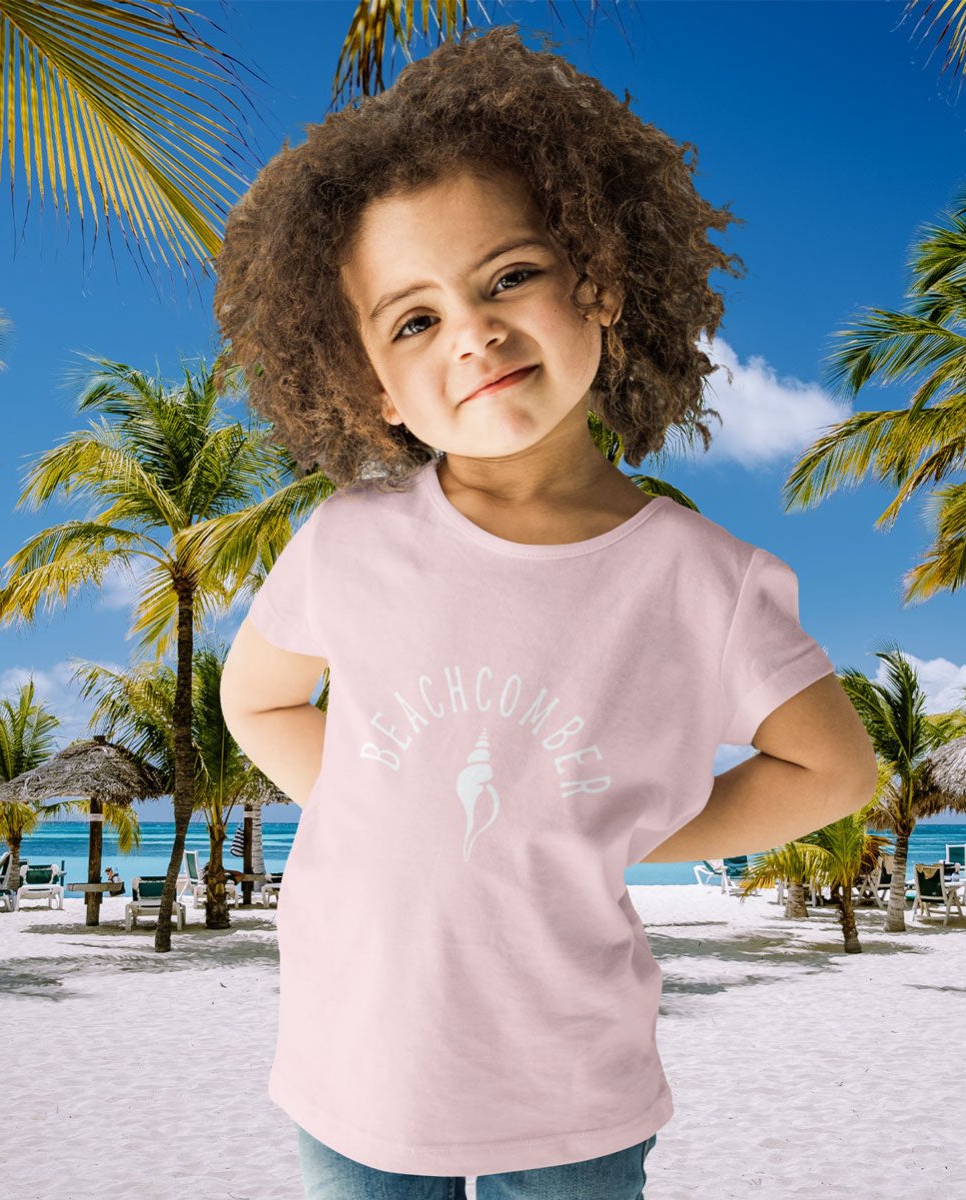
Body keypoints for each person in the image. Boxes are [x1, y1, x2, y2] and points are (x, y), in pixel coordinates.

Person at [216, 25, 877, 1198]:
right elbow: (257, 698)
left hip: (573, 1099)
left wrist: (625, 829)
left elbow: (829, 770)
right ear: (371, 382)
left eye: (507, 275)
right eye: (412, 319)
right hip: (349, 1071)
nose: (469, 330)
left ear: (599, 280)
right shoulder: (348, 542)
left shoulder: (698, 579)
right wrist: (387, 796)